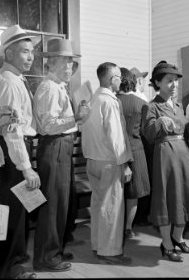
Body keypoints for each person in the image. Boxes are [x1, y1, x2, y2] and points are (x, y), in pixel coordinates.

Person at [32, 38, 88, 272]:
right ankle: (47, 257)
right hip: (54, 147)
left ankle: (55, 249)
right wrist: (75, 117)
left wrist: (77, 118)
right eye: (65, 63)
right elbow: (48, 124)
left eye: (71, 63)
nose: (69, 68)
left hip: (61, 147)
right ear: (50, 64)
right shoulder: (48, 88)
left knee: (61, 204)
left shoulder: (58, 87)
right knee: (53, 205)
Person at [141, 60, 189, 262]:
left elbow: (187, 134)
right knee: (167, 199)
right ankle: (166, 244)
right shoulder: (151, 106)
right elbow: (149, 134)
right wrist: (158, 122)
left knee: (182, 197)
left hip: (182, 155)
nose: (174, 85)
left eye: (176, 81)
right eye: (169, 81)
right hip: (165, 157)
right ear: (157, 83)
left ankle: (178, 238)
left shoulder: (179, 106)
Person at [0, 24, 41, 279]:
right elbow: (12, 131)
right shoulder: (9, 82)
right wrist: (26, 167)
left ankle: (14, 264)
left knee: (16, 210)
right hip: (14, 153)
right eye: (24, 51)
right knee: (13, 213)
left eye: (31, 51)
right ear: (8, 54)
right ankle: (12, 269)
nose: (30, 57)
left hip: (16, 150)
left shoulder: (12, 79)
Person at [80, 62, 133, 265]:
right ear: (112, 80)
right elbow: (116, 136)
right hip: (109, 162)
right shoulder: (110, 102)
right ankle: (109, 252)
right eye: (119, 76)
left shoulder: (93, 99)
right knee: (112, 207)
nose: (121, 80)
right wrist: (125, 164)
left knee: (98, 206)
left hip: (92, 160)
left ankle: (97, 245)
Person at [117, 67, 150, 238]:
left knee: (117, 192)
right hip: (136, 149)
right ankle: (128, 227)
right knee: (134, 193)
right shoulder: (141, 103)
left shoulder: (113, 101)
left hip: (115, 151)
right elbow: (146, 131)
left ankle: (116, 227)